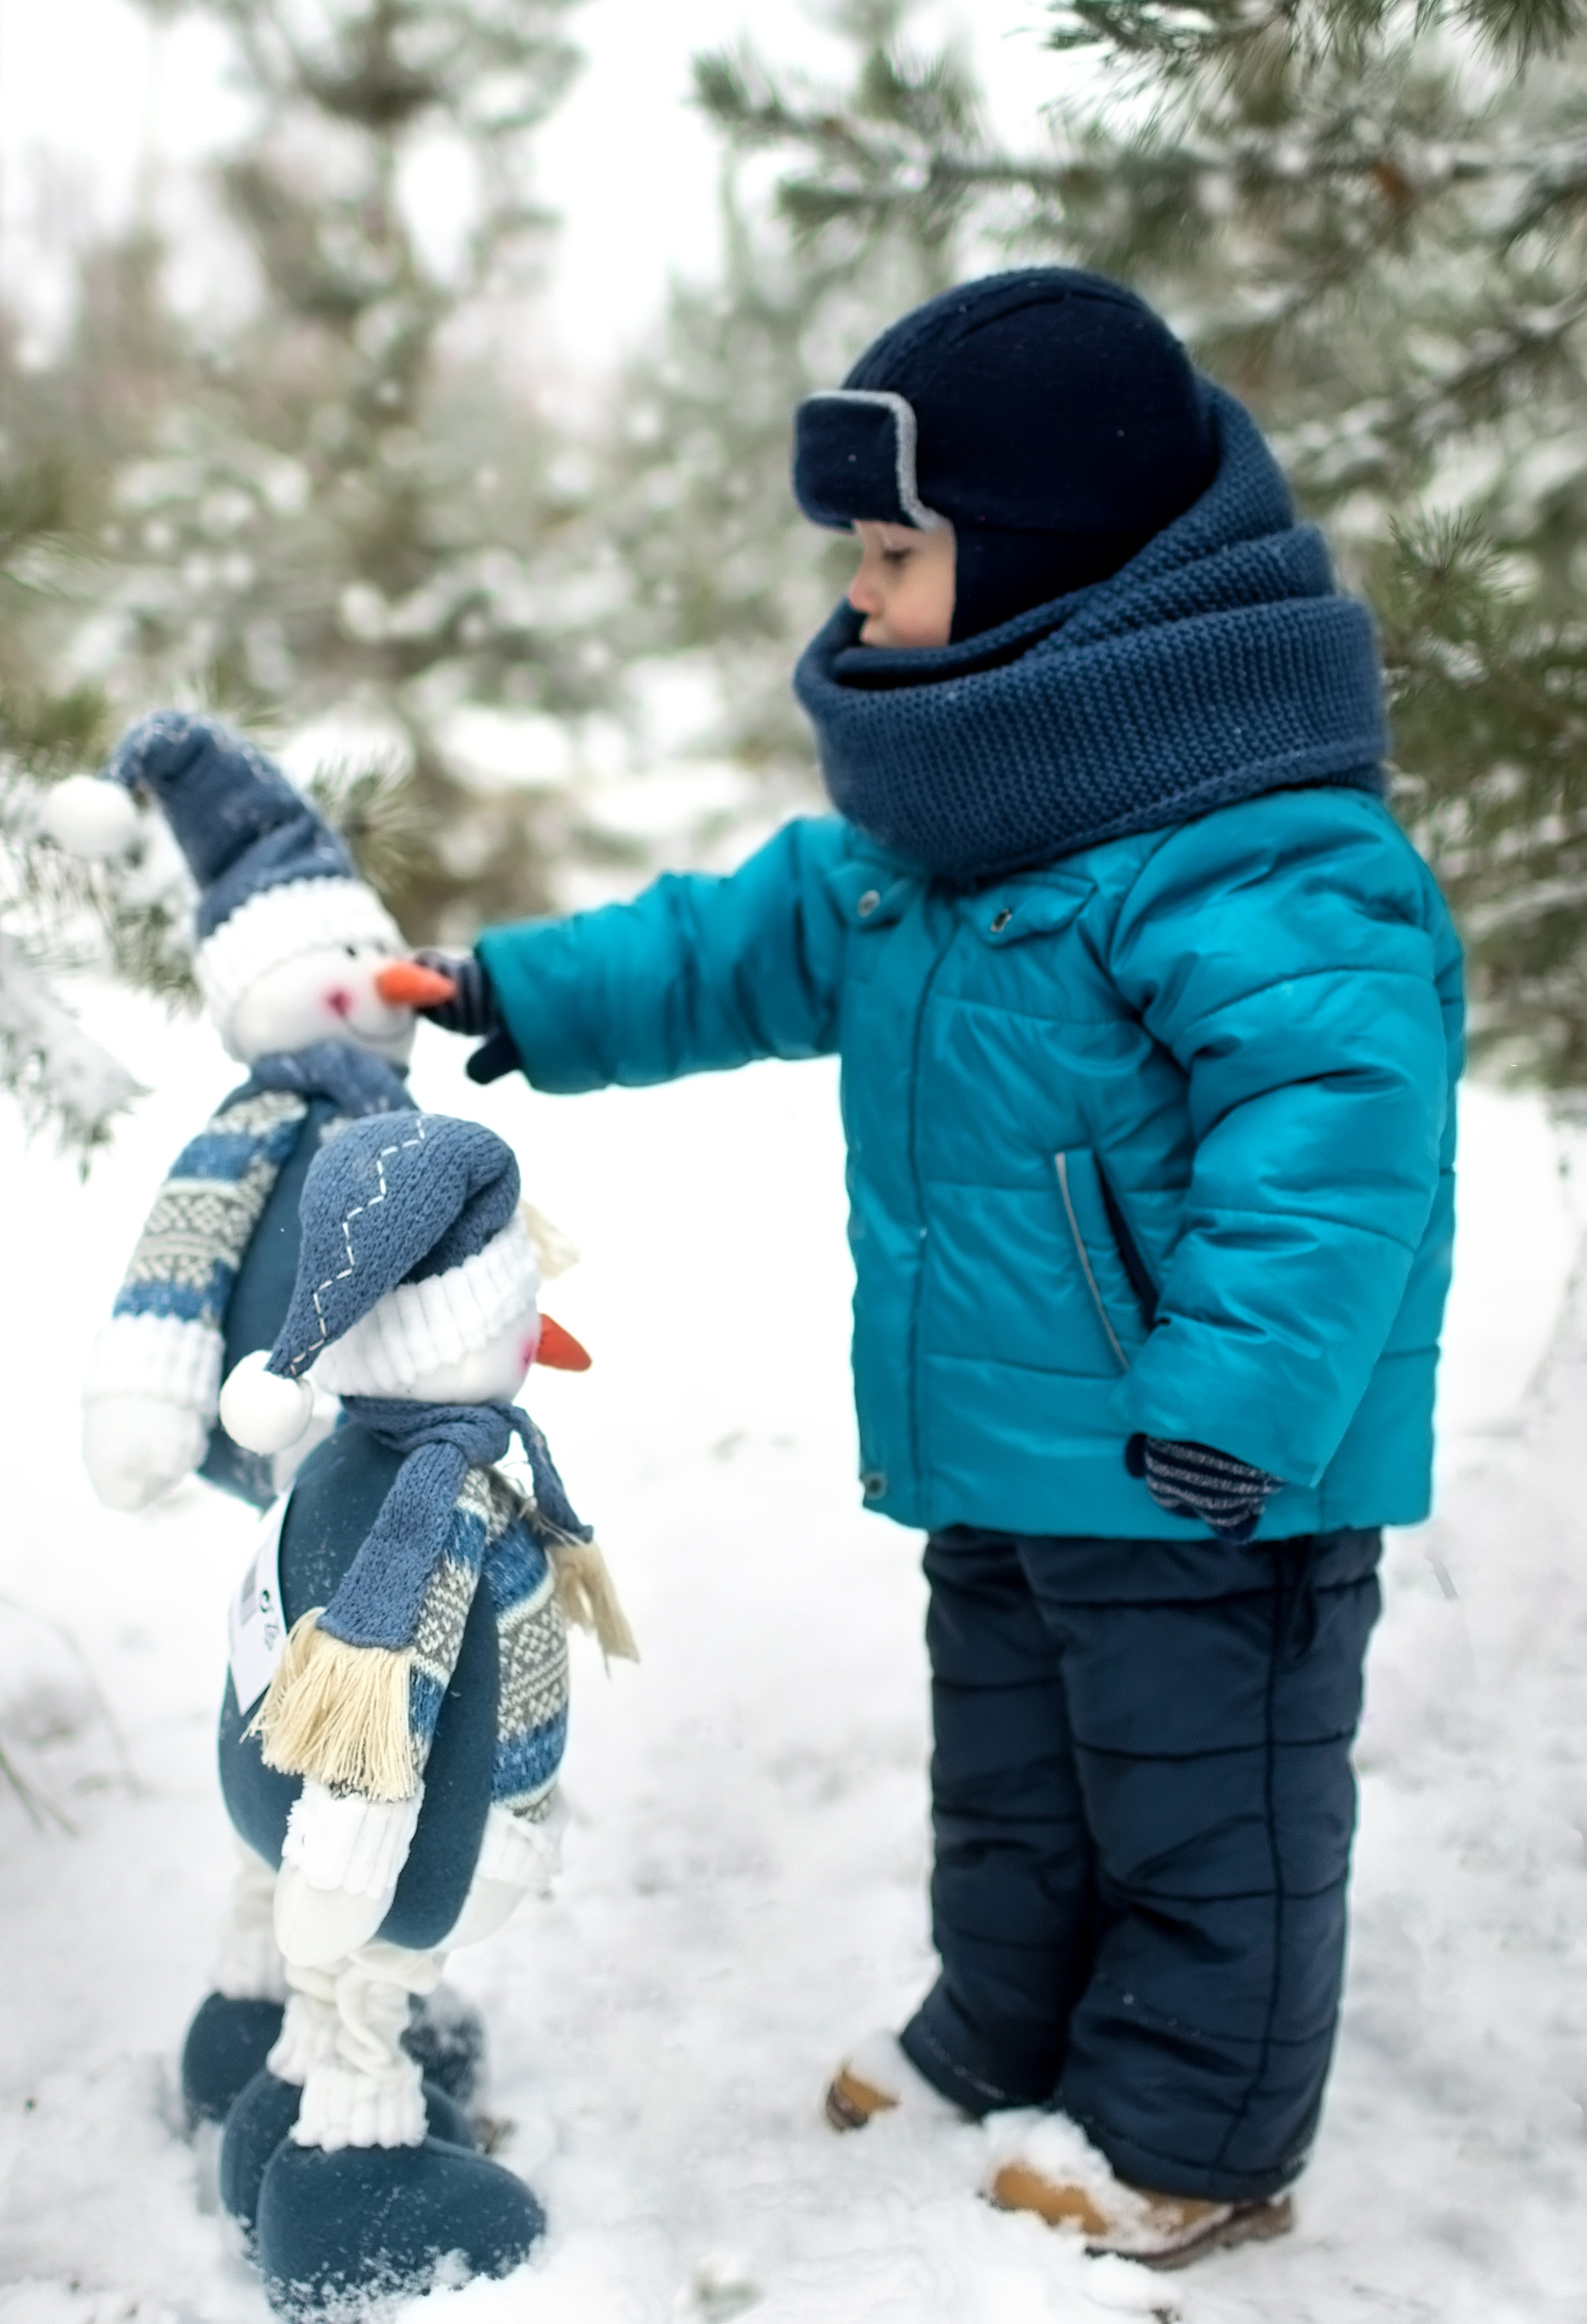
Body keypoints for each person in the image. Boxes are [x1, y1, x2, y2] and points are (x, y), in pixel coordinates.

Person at [420, 269, 1464, 2270]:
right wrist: (521, 990)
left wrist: (1239, 1403)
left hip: (1200, 1466)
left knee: (1204, 1810)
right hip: (1006, 1437)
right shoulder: (954, 821)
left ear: (1051, 564)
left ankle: (1193, 2132)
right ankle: (1002, 2033)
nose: (862, 602)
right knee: (1016, 1784)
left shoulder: (1250, 844)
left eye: (898, 553)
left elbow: (1341, 1135)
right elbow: (740, 939)